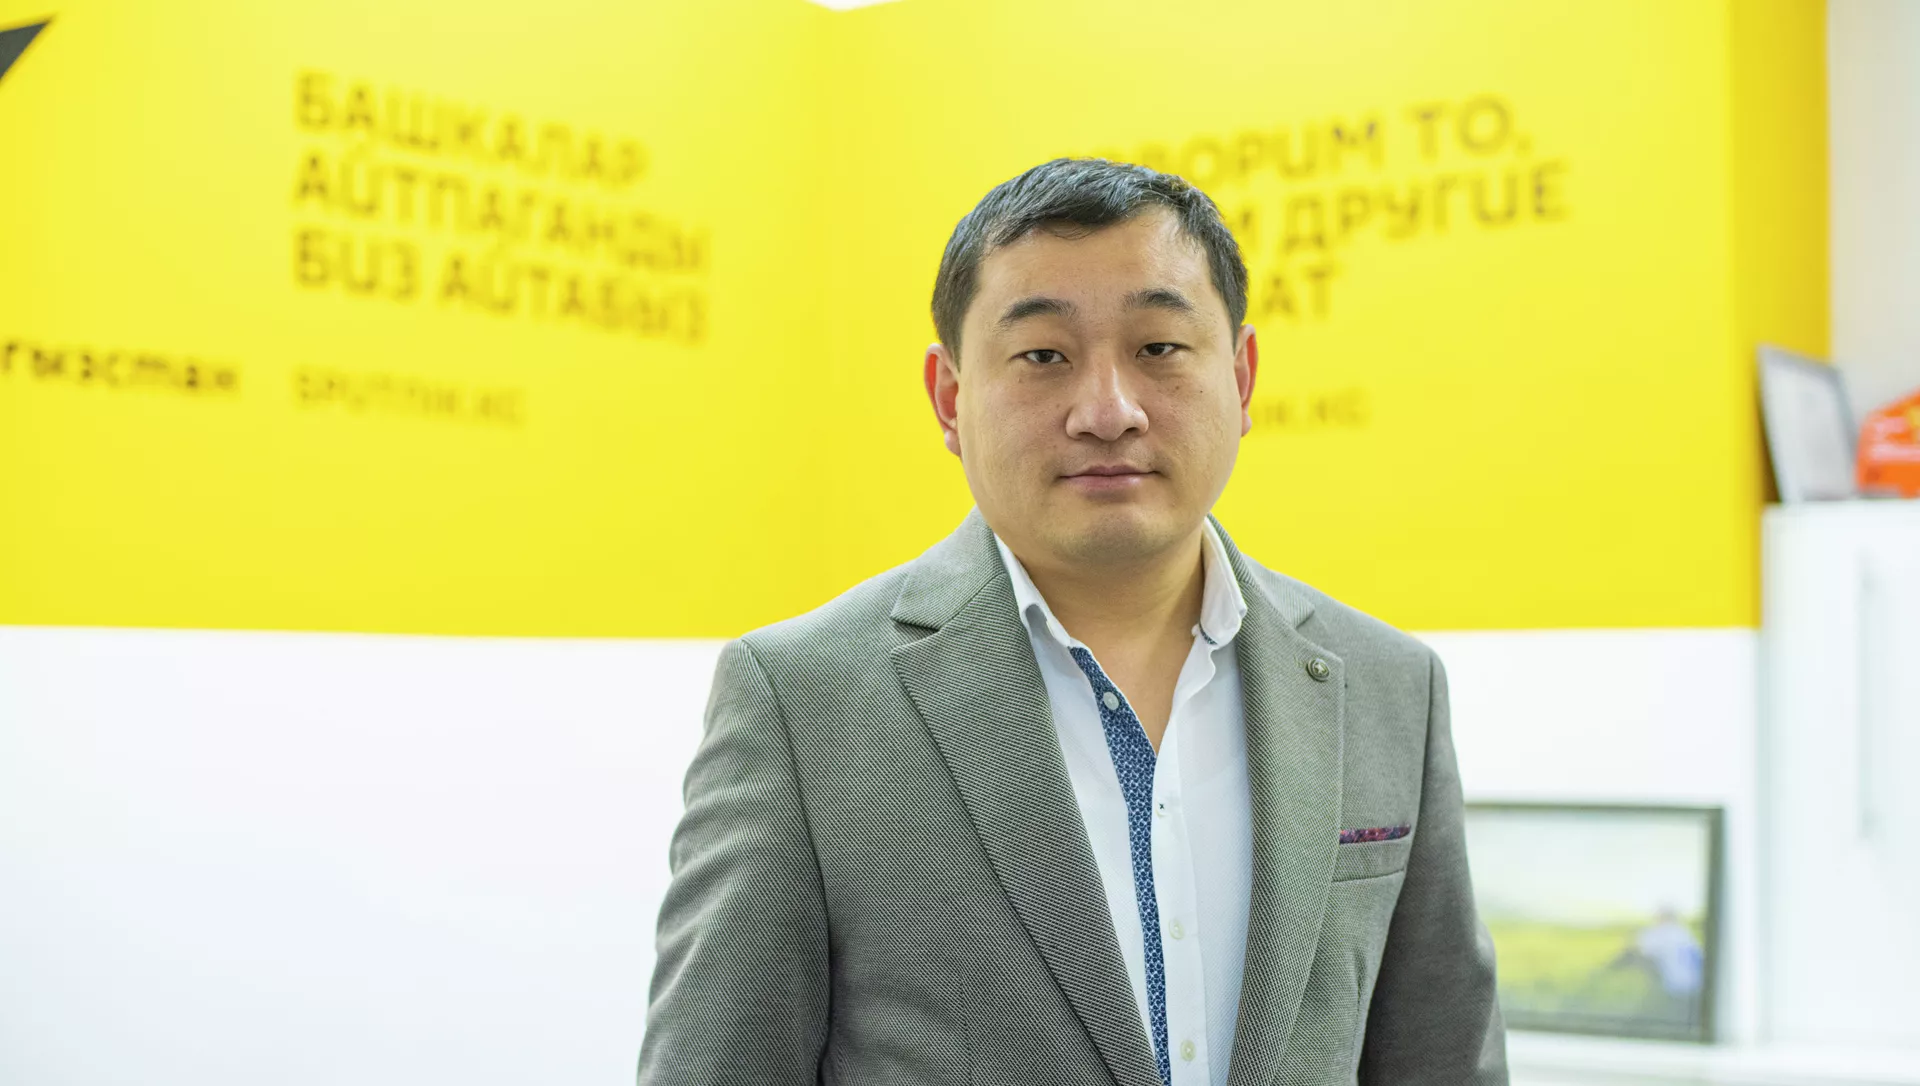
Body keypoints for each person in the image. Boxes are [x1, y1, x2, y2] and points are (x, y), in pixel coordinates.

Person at [637, 157, 1507, 1086]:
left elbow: (1443, 1060)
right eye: (1043, 356)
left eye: (1159, 347)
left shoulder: (1387, 687)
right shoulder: (803, 702)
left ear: (1242, 377)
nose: (1108, 411)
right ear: (950, 397)